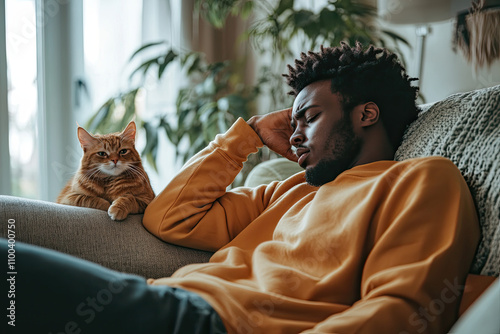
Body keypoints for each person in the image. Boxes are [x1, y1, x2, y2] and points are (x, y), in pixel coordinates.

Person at [2, 43, 479, 334]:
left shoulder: (422, 179)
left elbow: (401, 312)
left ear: (366, 114)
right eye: (291, 122)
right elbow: (167, 218)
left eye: (309, 118)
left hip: (207, 323)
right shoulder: (289, 191)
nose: (293, 135)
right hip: (163, 301)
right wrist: (246, 135)